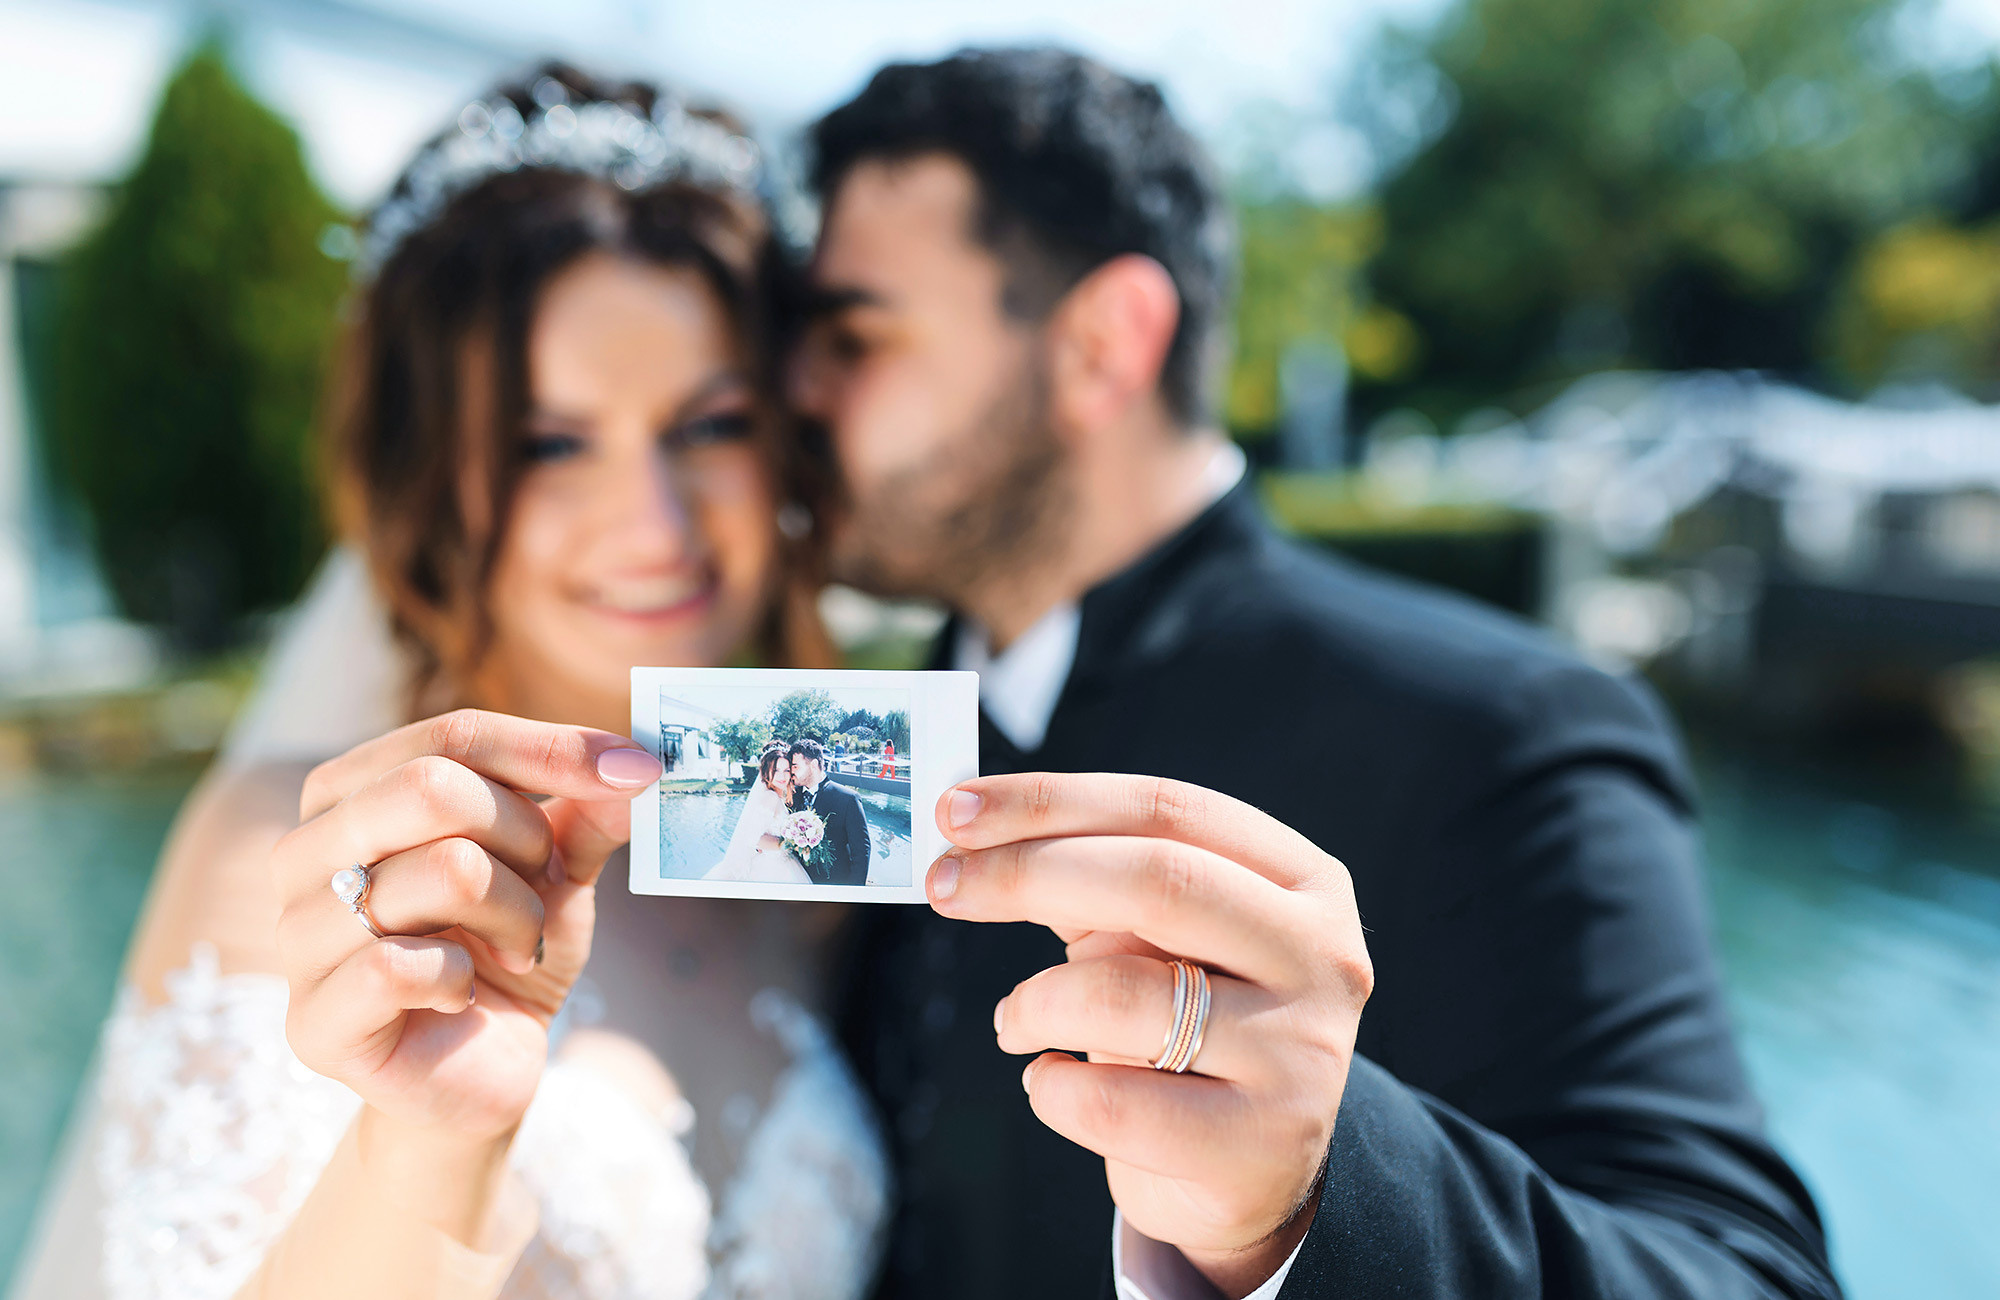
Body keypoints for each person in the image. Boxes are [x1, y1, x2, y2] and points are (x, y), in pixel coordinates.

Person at [789, 47, 1844, 1300]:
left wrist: (1307, 1195)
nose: (798, 386)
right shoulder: (861, 722)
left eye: (856, 334)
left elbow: (1745, 1278)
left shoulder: (1498, 730)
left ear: (1097, 344)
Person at [12, 65, 889, 1300]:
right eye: (551, 443)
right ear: (431, 476)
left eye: (711, 425)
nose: (654, 524)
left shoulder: (815, 850)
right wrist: (432, 1148)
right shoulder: (302, 854)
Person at [708, 741, 813, 883]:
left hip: (779, 861)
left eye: (786, 770)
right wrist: (792, 843)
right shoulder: (770, 797)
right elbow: (754, 839)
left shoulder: (776, 795)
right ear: (766, 771)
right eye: (776, 770)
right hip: (772, 867)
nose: (782, 776)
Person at [786, 738, 872, 886]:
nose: (791, 771)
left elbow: (861, 851)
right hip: (798, 883)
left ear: (813, 765)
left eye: (795, 766)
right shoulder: (791, 796)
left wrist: (854, 894)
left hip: (834, 886)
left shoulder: (848, 799)